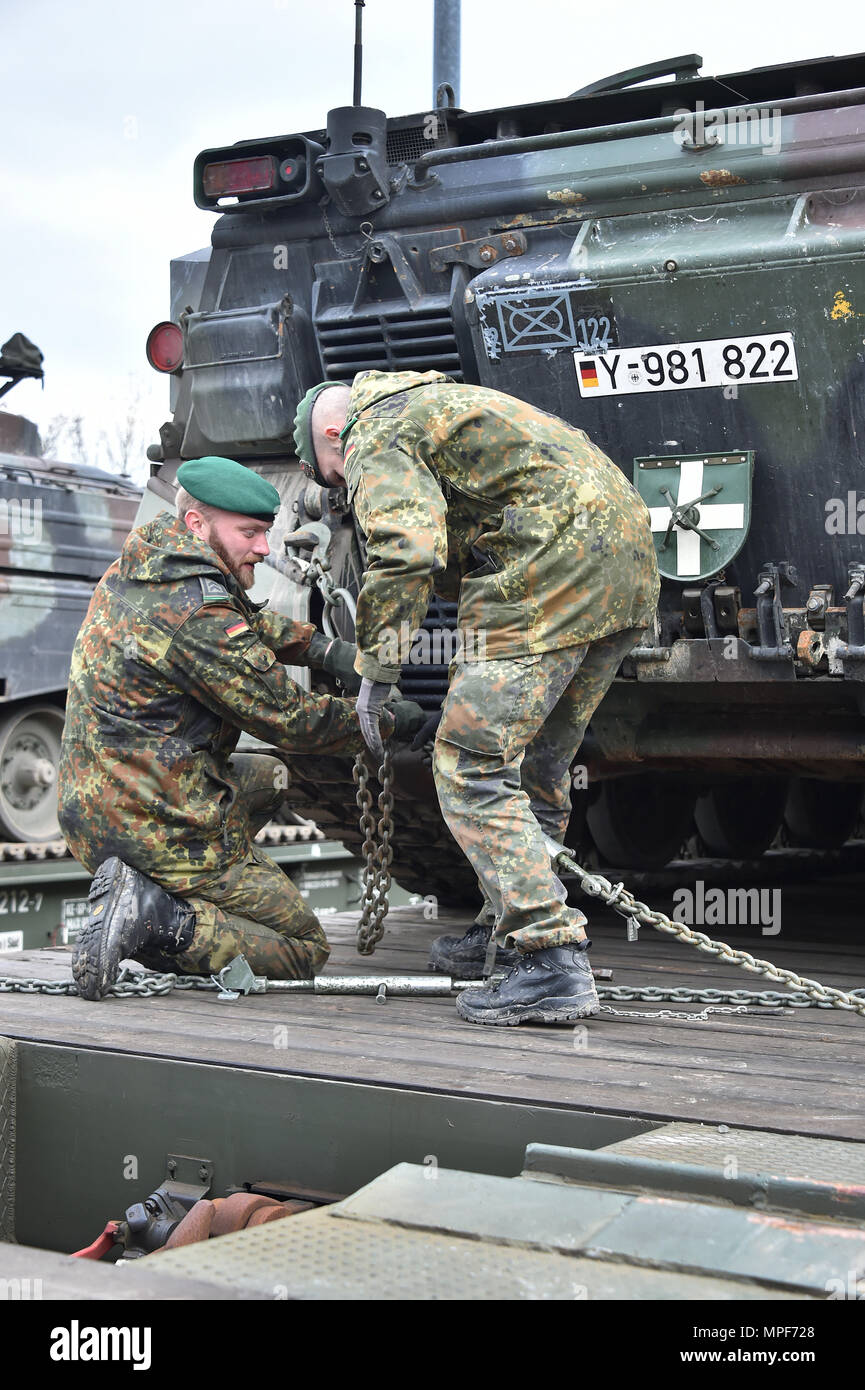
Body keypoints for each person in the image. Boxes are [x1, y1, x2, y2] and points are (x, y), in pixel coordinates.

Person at [293, 372, 660, 1026]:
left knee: (468, 762)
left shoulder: (373, 428)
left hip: (543, 572)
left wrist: (377, 670)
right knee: (535, 768)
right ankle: (508, 932)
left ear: (331, 436)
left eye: (332, 477)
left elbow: (406, 553)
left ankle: (548, 957)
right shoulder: (445, 406)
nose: (343, 489)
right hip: (623, 567)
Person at [60, 455, 423, 1001]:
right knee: (302, 947)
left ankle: (161, 894)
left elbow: (247, 623)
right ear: (197, 524)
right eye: (250, 533)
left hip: (96, 803)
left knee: (268, 777)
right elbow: (290, 719)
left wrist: (325, 649)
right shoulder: (198, 615)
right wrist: (388, 723)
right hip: (155, 820)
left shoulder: (151, 564)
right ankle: (160, 916)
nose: (262, 548)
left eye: (265, 533)